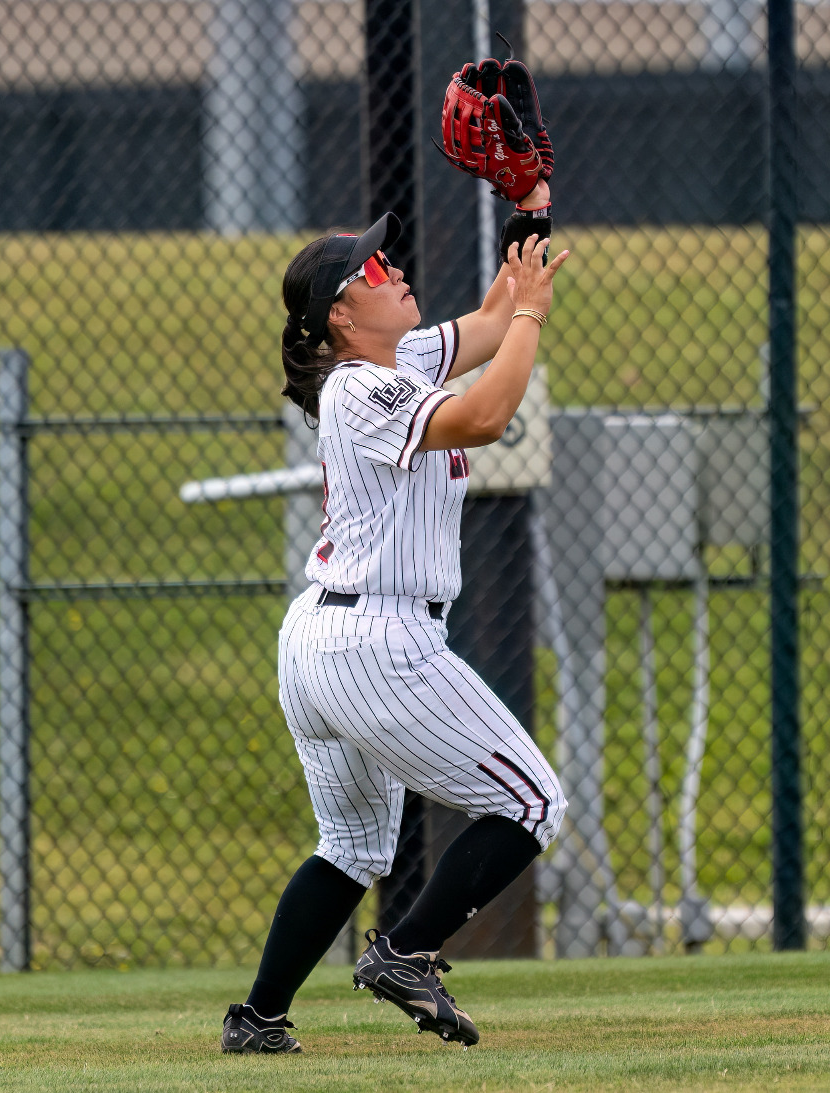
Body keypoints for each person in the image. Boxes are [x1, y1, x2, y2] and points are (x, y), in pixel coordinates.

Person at [219, 201, 569, 1054]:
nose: (394, 268)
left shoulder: (398, 356)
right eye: (372, 270)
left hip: (323, 636)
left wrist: (529, 205)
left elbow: (489, 321)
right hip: (377, 640)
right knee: (532, 802)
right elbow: (485, 415)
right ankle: (406, 950)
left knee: (350, 847)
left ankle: (257, 1021)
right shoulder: (360, 384)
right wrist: (530, 314)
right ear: (340, 315)